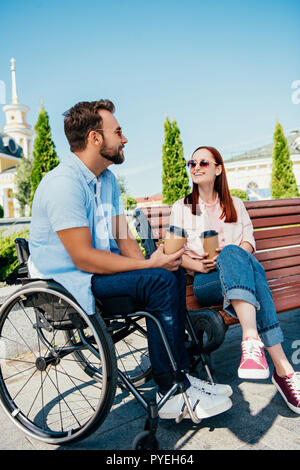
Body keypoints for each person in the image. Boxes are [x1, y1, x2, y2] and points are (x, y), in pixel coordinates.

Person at [28, 100, 233, 422]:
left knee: (171, 273)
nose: (125, 139)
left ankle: (179, 372)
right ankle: (170, 389)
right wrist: (149, 268)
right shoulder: (63, 184)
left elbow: (123, 236)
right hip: (68, 280)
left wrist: (157, 261)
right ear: (96, 138)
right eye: (118, 132)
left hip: (96, 271)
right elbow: (82, 257)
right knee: (158, 278)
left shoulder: (106, 181)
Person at [170, 145, 300, 415]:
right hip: (207, 282)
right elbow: (173, 253)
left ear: (218, 169)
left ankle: (270, 357)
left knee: (235, 253)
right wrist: (197, 263)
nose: (196, 167)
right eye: (191, 163)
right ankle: (278, 366)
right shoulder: (182, 208)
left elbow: (248, 243)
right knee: (250, 270)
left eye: (203, 163)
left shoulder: (235, 205)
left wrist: (233, 255)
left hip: (238, 275)